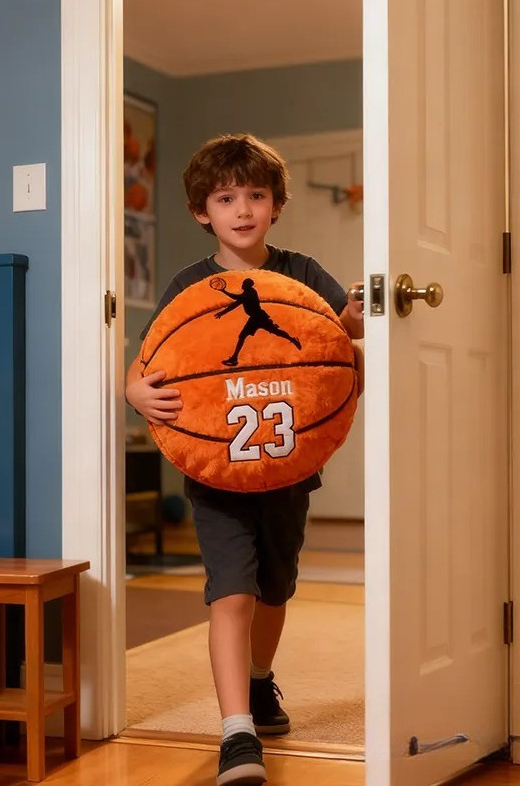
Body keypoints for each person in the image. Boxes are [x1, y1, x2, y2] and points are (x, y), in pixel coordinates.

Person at [125, 133, 364, 786]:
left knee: (274, 587)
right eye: (226, 197)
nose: (242, 208)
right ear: (204, 210)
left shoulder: (302, 272)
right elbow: (145, 366)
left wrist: (359, 308)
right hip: (214, 472)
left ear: (276, 205)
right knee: (229, 591)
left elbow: (342, 327)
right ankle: (236, 733)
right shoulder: (188, 287)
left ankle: (261, 681)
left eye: (256, 195)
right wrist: (133, 388)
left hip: (288, 465)